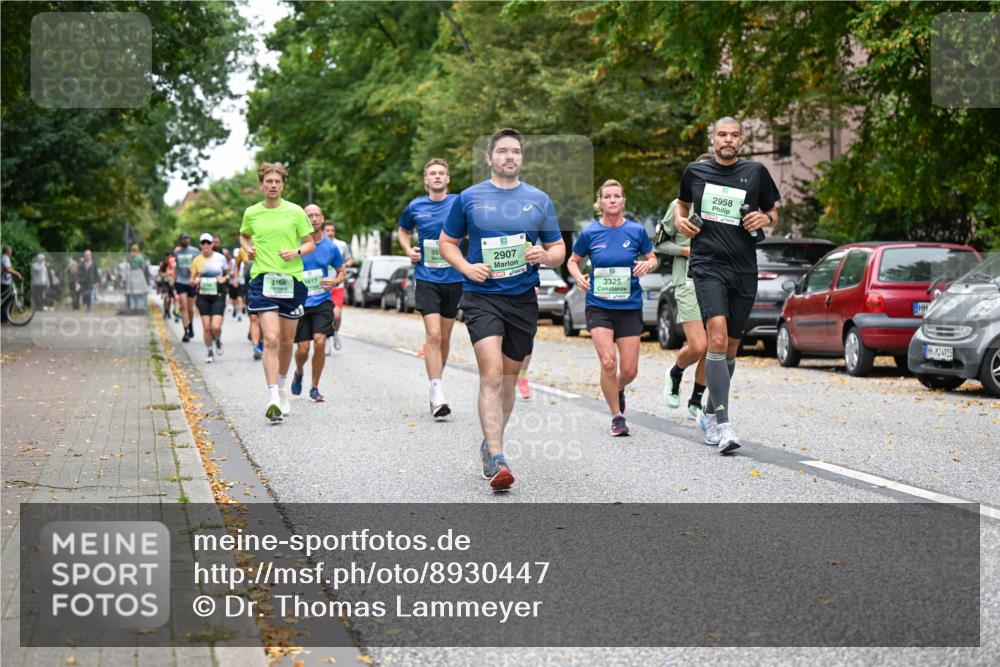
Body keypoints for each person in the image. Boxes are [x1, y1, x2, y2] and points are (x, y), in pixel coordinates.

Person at [439, 128, 565, 490]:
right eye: (502, 152)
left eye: (515, 152)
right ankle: (498, 457)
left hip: (522, 297)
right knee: (492, 373)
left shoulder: (538, 199)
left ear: (522, 158)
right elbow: (447, 243)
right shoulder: (469, 198)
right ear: (489, 158)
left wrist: (545, 255)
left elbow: (558, 249)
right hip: (481, 295)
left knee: (509, 378)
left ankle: (489, 442)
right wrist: (466, 268)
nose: (509, 157)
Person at [674, 116, 780, 454]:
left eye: (734, 135)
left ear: (742, 139)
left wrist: (767, 218)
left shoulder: (756, 172)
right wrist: (680, 220)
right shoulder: (695, 171)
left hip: (744, 268)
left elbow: (773, 211)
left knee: (731, 347)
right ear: (712, 139)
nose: (728, 140)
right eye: (722, 135)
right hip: (707, 265)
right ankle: (724, 423)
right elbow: (681, 205)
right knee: (716, 336)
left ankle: (708, 409)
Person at [567, 179, 657, 436]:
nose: (613, 200)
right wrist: (578, 276)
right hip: (599, 305)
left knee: (629, 370)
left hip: (629, 306)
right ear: (600, 203)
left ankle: (617, 388)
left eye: (617, 196)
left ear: (623, 201)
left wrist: (647, 265)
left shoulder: (636, 231)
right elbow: (573, 261)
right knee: (608, 362)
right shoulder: (590, 233)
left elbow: (653, 258)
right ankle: (617, 416)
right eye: (607, 196)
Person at [240, 162, 315, 422]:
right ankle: (272, 396)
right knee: (270, 338)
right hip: (263, 280)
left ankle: (282, 386)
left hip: (291, 281)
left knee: (286, 341)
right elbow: (243, 235)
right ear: (262, 184)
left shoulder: (295, 212)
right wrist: (247, 249)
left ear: (283, 185)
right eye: (268, 181)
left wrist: (295, 252)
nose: (273, 185)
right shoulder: (252, 212)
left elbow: (310, 243)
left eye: (277, 182)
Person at [398, 158, 463, 419]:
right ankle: (437, 393)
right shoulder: (415, 206)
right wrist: (407, 249)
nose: (437, 177)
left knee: (445, 337)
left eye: (441, 173)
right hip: (426, 277)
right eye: (432, 173)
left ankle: (437, 380)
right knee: (433, 335)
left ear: (448, 179)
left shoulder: (459, 203)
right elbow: (403, 231)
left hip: (454, 278)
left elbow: (472, 229)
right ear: (426, 180)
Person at [658, 153, 714, 419]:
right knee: (699, 345)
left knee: (715, 345)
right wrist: (685, 250)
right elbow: (658, 243)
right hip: (688, 281)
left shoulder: (720, 204)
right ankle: (676, 372)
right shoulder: (678, 207)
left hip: (716, 281)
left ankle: (696, 399)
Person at [291, 204, 344, 402]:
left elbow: (341, 270)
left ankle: (314, 387)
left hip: (322, 300)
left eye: (316, 215)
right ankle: (298, 371)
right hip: (300, 302)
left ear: (322, 219)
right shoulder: (297, 243)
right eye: (309, 216)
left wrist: (336, 281)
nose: (313, 218)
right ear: (304, 220)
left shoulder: (330, 247)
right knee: (303, 349)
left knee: (320, 342)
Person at [190, 234, 230, 363]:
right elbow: (192, 279)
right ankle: (209, 351)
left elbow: (228, 273)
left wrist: (224, 278)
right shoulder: (197, 260)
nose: (206, 245)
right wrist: (195, 280)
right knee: (207, 327)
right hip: (203, 296)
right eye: (203, 243)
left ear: (212, 244)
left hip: (218, 295)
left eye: (208, 243)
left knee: (216, 326)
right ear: (200, 245)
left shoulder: (220, 258)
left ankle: (217, 339)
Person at [323, 220, 352, 352]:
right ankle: (326, 338)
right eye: (327, 230)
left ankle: (335, 332)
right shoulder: (317, 245)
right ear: (323, 231)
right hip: (323, 286)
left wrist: (344, 265)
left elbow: (349, 259)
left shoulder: (341, 245)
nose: (330, 233)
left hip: (338, 286)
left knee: (337, 315)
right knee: (325, 315)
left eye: (332, 230)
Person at [173, 232, 199, 342]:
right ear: (180, 240)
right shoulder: (176, 252)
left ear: (189, 239)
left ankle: (191, 324)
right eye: (182, 238)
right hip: (180, 281)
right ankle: (186, 331)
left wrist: (194, 272)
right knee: (183, 306)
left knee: (190, 308)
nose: (185, 240)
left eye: (186, 238)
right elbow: (175, 267)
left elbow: (199, 266)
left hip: (191, 282)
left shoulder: (195, 251)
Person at [125, 244, 150, 312]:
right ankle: (140, 306)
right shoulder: (140, 257)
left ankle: (132, 306)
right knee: (140, 291)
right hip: (139, 273)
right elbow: (142, 266)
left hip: (132, 273)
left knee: (132, 290)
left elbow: (128, 263)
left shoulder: (129, 257)